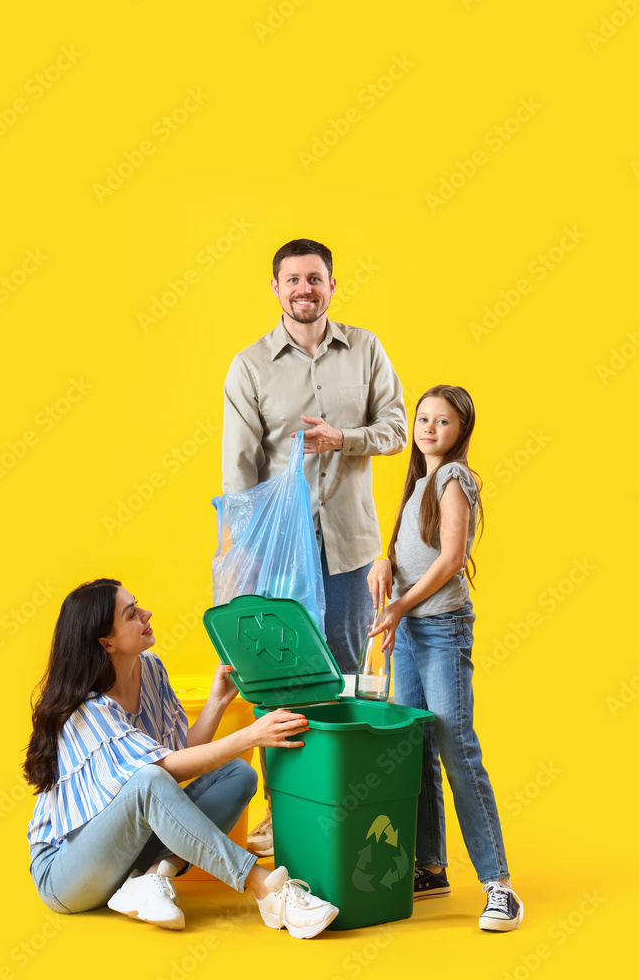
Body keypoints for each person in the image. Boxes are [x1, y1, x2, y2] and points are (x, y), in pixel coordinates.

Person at [222, 238, 407, 855]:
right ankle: (282, 809)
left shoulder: (367, 349)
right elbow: (239, 472)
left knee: (347, 672)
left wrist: (344, 439)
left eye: (316, 278)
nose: (305, 288)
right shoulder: (249, 366)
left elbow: (398, 430)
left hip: (351, 547)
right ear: (275, 288)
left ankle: (341, 796)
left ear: (332, 285)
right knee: (284, 681)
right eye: (293, 279)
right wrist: (242, 556)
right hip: (280, 553)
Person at [24, 578, 339, 939]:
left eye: (138, 605)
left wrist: (217, 702)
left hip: (129, 853)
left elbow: (178, 751)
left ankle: (153, 877)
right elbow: (159, 773)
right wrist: (251, 735)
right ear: (106, 642)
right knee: (148, 780)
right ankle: (266, 888)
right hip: (66, 874)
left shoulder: (151, 669)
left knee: (236, 773)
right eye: (131, 614)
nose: (146, 614)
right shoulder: (86, 710)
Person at [367, 385, 524, 932]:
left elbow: (452, 559)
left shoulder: (455, 479)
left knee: (457, 747)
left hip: (439, 630)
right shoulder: (419, 485)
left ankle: (500, 887)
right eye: (423, 418)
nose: (430, 428)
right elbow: (414, 552)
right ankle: (430, 867)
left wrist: (400, 606)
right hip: (409, 630)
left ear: (462, 432)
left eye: (444, 422)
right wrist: (384, 564)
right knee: (416, 749)